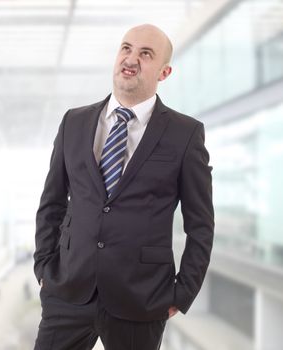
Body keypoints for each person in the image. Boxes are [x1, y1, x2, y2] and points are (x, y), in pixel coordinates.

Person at [33, 24, 214, 350]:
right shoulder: (73, 122)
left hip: (141, 297)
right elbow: (52, 202)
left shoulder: (185, 134)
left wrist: (183, 292)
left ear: (164, 71)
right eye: (126, 48)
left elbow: (200, 224)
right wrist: (44, 265)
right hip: (68, 291)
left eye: (146, 54)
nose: (131, 59)